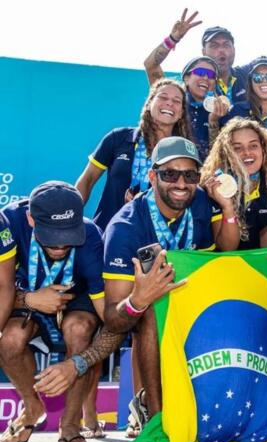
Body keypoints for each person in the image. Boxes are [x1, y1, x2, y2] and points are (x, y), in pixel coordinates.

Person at [33, 137, 240, 425]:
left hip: (193, 299)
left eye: (190, 175)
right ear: (152, 177)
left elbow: (228, 248)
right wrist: (138, 299)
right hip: (148, 310)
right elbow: (114, 319)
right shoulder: (124, 228)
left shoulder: (202, 201)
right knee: (150, 311)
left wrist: (228, 209)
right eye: (170, 174)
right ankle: (154, 417)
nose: (181, 183)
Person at [0, 182, 104, 442]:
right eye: (51, 235)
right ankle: (32, 408)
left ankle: (70, 425)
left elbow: (106, 313)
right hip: (27, 294)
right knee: (9, 340)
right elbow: (2, 287)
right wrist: (30, 299)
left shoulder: (91, 235)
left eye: (68, 234)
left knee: (79, 329)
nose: (59, 244)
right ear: (31, 219)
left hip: (76, 299)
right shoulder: (8, 222)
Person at [143, 3, 267, 102]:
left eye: (226, 45)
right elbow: (151, 66)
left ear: (234, 50)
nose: (221, 50)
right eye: (214, 45)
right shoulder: (194, 84)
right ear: (203, 52)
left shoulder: (248, 74)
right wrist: (172, 39)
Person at [75, 78, 191, 230]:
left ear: (181, 113)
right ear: (149, 104)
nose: (169, 103)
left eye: (176, 101)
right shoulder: (118, 138)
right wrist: (70, 217)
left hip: (155, 237)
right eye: (163, 97)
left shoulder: (184, 153)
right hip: (107, 231)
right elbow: (87, 180)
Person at [201, 117, 267, 253]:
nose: (247, 153)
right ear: (226, 154)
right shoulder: (216, 184)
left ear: (263, 149)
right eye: (237, 148)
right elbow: (227, 248)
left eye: (253, 145)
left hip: (264, 259)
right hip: (229, 260)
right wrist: (227, 207)